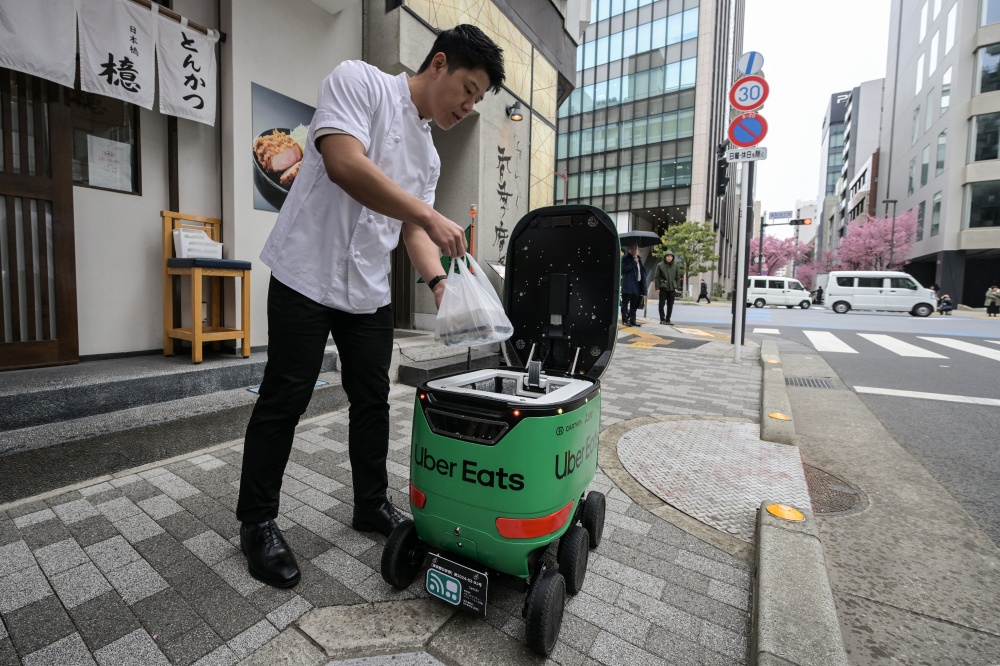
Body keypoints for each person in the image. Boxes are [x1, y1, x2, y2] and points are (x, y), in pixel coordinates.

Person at [236, 26, 506, 589]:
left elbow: (411, 230)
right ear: (439, 64)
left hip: (366, 290)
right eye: (468, 88)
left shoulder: (428, 157)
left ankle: (370, 504)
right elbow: (343, 163)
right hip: (305, 272)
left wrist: (439, 284)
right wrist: (431, 218)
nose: (468, 104)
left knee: (372, 400)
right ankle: (257, 521)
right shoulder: (358, 81)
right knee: (285, 397)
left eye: (478, 99)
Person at [620, 243, 646, 326]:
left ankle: (633, 320)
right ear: (629, 249)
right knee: (625, 303)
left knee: (634, 304)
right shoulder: (625, 259)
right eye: (633, 247)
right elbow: (624, 270)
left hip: (637, 285)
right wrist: (634, 263)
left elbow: (641, 272)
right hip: (628, 285)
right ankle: (625, 320)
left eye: (636, 247)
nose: (635, 249)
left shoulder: (639, 259)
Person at [654, 250, 681, 325]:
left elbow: (678, 277)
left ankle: (668, 319)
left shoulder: (676, 266)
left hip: (672, 288)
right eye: (668, 256)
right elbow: (656, 277)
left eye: (671, 256)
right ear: (665, 257)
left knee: (670, 304)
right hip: (663, 287)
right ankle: (662, 319)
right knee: (661, 304)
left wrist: (677, 287)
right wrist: (657, 288)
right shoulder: (660, 265)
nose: (669, 258)